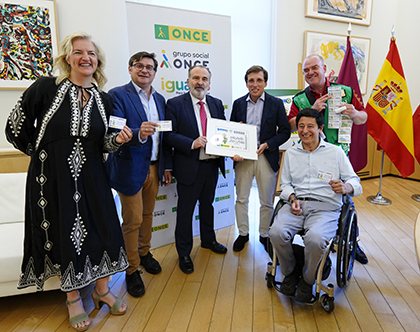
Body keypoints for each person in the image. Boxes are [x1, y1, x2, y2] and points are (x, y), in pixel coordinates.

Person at [5, 31, 132, 331]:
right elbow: (15, 126)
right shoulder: (46, 88)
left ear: (98, 60)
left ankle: (102, 290)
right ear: (67, 58)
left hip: (94, 178)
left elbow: (105, 142)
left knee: (104, 229)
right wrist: (40, 156)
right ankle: (73, 297)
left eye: (91, 52)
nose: (85, 57)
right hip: (52, 180)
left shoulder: (105, 99)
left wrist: (120, 140)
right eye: (78, 52)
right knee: (65, 233)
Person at [269, 108, 362, 304]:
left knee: (316, 238)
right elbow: (284, 184)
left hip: (326, 206)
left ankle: (308, 279)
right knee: (276, 232)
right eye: (301, 126)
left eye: (310, 126)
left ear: (320, 128)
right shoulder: (291, 153)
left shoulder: (335, 153)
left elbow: (355, 181)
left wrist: (346, 186)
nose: (305, 130)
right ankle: (290, 272)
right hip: (296, 204)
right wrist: (292, 197)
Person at [288, 54, 368, 265]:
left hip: (337, 153)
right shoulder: (299, 99)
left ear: (324, 68)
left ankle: (352, 241)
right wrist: (311, 112)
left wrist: (354, 112)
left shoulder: (345, 91)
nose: (311, 73)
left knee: (344, 196)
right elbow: (289, 126)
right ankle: (314, 235)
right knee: (312, 191)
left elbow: (363, 118)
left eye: (315, 68)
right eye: (306, 70)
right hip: (310, 153)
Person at [106, 51, 172, 298]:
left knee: (147, 215)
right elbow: (114, 129)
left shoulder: (161, 99)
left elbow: (164, 136)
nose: (144, 70)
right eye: (139, 66)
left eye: (149, 67)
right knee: (132, 221)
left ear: (155, 72)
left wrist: (165, 166)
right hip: (129, 167)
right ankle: (131, 269)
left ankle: (144, 253)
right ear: (130, 68)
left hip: (154, 167)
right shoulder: (117, 94)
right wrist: (138, 132)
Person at [165, 65, 227, 274]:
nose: (200, 82)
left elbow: (224, 133)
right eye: (196, 78)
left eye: (204, 79)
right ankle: (183, 252)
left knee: (207, 206)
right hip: (188, 166)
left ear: (209, 83)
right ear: (188, 81)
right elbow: (168, 135)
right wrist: (192, 142)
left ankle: (208, 240)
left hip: (212, 166)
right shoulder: (174, 104)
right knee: (185, 212)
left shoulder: (217, 104)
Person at [230, 65, 290, 252]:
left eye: (259, 80)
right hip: (244, 158)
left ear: (265, 82)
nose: (255, 84)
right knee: (241, 198)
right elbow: (232, 130)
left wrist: (268, 144)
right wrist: (236, 139)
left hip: (266, 155)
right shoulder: (238, 103)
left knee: (266, 200)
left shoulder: (276, 103)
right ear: (246, 83)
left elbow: (285, 131)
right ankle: (243, 233)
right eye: (251, 80)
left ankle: (264, 234)